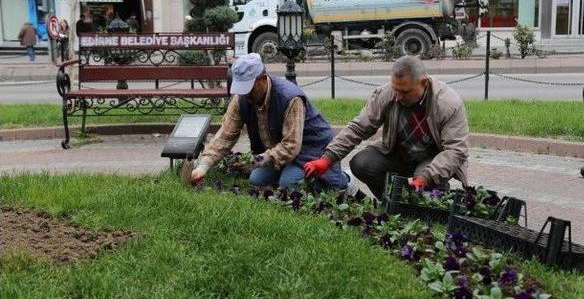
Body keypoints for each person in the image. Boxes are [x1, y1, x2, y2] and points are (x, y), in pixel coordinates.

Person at [304, 55, 469, 199]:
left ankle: (429, 196)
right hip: (399, 154)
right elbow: (359, 127)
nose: (397, 96)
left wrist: (425, 178)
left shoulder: (448, 104)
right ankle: (394, 202)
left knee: (424, 182)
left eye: (404, 92)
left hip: (431, 159)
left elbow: (456, 150)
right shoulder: (387, 93)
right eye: (395, 89)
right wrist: (327, 159)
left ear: (423, 83)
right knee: (362, 163)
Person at [190, 53, 357, 193]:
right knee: (256, 179)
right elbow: (225, 135)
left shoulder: (290, 98)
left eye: (249, 88)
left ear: (263, 79)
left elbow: (291, 146)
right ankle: (289, 171)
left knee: (288, 184)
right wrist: (203, 167)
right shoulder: (241, 97)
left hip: (311, 147)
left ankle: (345, 180)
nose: (245, 95)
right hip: (280, 147)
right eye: (241, 89)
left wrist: (257, 161)